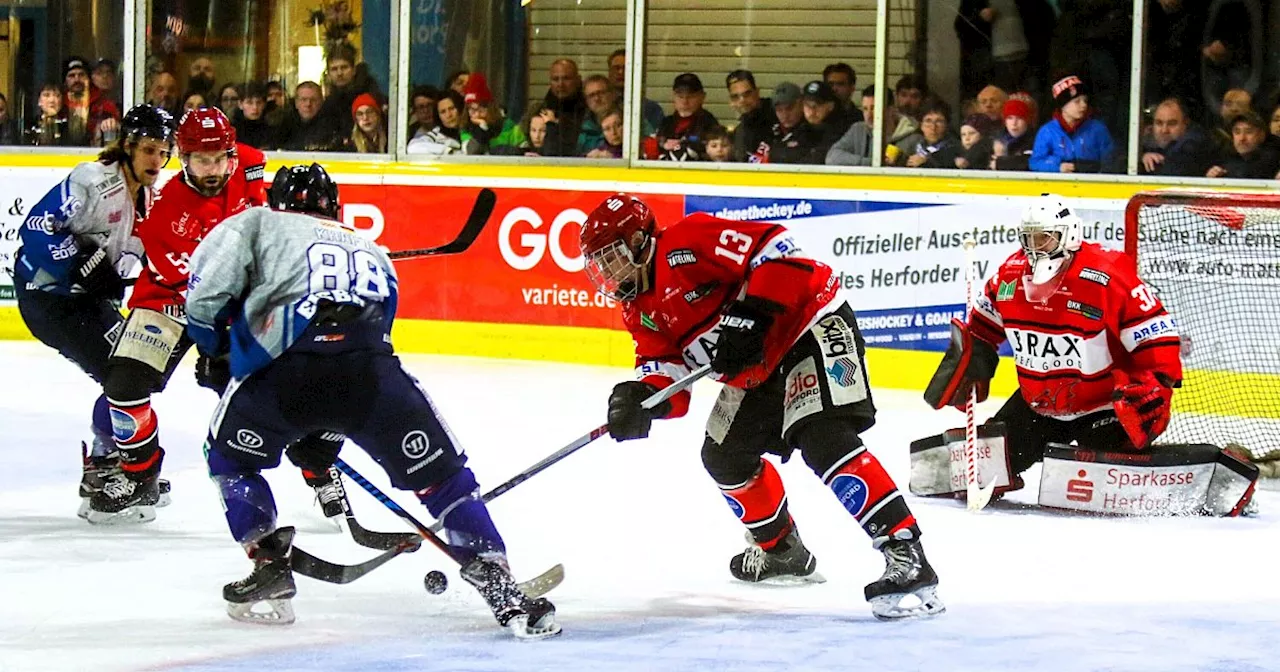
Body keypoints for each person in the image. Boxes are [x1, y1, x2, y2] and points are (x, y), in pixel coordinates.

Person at [184, 163, 560, 639]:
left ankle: (268, 562)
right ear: (335, 207)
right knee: (444, 481)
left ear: (278, 201)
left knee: (229, 461)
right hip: (372, 377)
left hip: (283, 374)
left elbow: (203, 300)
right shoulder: (372, 247)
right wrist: (330, 425)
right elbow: (376, 331)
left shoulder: (257, 221)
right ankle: (499, 583)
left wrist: (216, 351)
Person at [579, 193, 944, 621]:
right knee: (724, 454)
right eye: (598, 263)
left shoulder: (687, 241)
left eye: (613, 256)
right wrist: (643, 400)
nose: (606, 271)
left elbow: (780, 250)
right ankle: (782, 551)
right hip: (757, 367)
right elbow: (668, 374)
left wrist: (753, 312)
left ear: (640, 240)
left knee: (822, 437)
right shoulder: (636, 309)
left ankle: (906, 554)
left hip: (810, 324)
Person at [916, 195, 1258, 512]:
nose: (1035, 248)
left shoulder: (1105, 276)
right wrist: (974, 362)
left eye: (1045, 238)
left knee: (1115, 478)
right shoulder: (1009, 276)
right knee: (977, 468)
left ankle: (1226, 466)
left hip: (1104, 404)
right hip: (1039, 403)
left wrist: (1155, 386)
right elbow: (981, 329)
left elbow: (1156, 337)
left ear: (1069, 236)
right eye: (1029, 238)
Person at [84, 108, 261, 523]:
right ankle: (139, 475)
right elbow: (193, 288)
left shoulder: (246, 166)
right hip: (170, 299)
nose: (213, 168)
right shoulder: (165, 211)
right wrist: (213, 339)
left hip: (232, 301)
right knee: (125, 383)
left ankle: (311, 463)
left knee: (256, 390)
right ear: (183, 158)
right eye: (202, 160)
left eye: (221, 158)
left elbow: (256, 171)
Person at [12, 105, 175, 517]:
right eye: (149, 150)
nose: (156, 159)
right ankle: (105, 466)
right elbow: (34, 228)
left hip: (85, 301)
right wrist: (79, 260)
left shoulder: (152, 198)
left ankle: (111, 460)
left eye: (163, 150)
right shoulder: (93, 180)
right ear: (129, 147)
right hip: (48, 298)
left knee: (132, 370)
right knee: (121, 371)